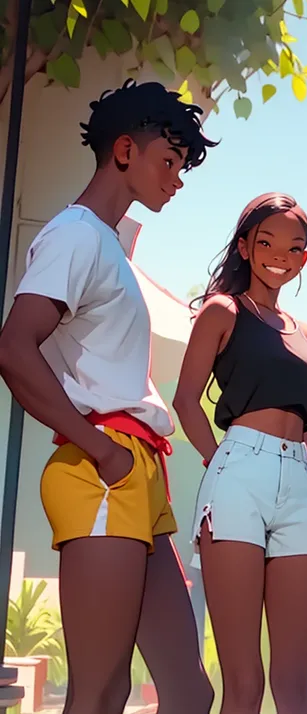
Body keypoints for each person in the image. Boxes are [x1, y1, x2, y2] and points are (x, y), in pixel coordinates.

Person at [0, 79, 217, 714]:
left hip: (138, 472)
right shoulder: (76, 234)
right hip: (105, 466)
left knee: (188, 691)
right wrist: (102, 449)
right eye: (169, 162)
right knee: (99, 691)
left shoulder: (109, 244)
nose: (176, 180)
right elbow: (15, 347)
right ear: (125, 150)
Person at [173, 192, 307, 714]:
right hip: (238, 472)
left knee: (294, 684)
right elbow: (186, 401)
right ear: (244, 246)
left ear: (304, 258)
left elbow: (306, 425)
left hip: (299, 488)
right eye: (266, 242)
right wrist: (219, 460)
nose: (279, 256)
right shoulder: (223, 310)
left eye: (293, 247)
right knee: (245, 682)